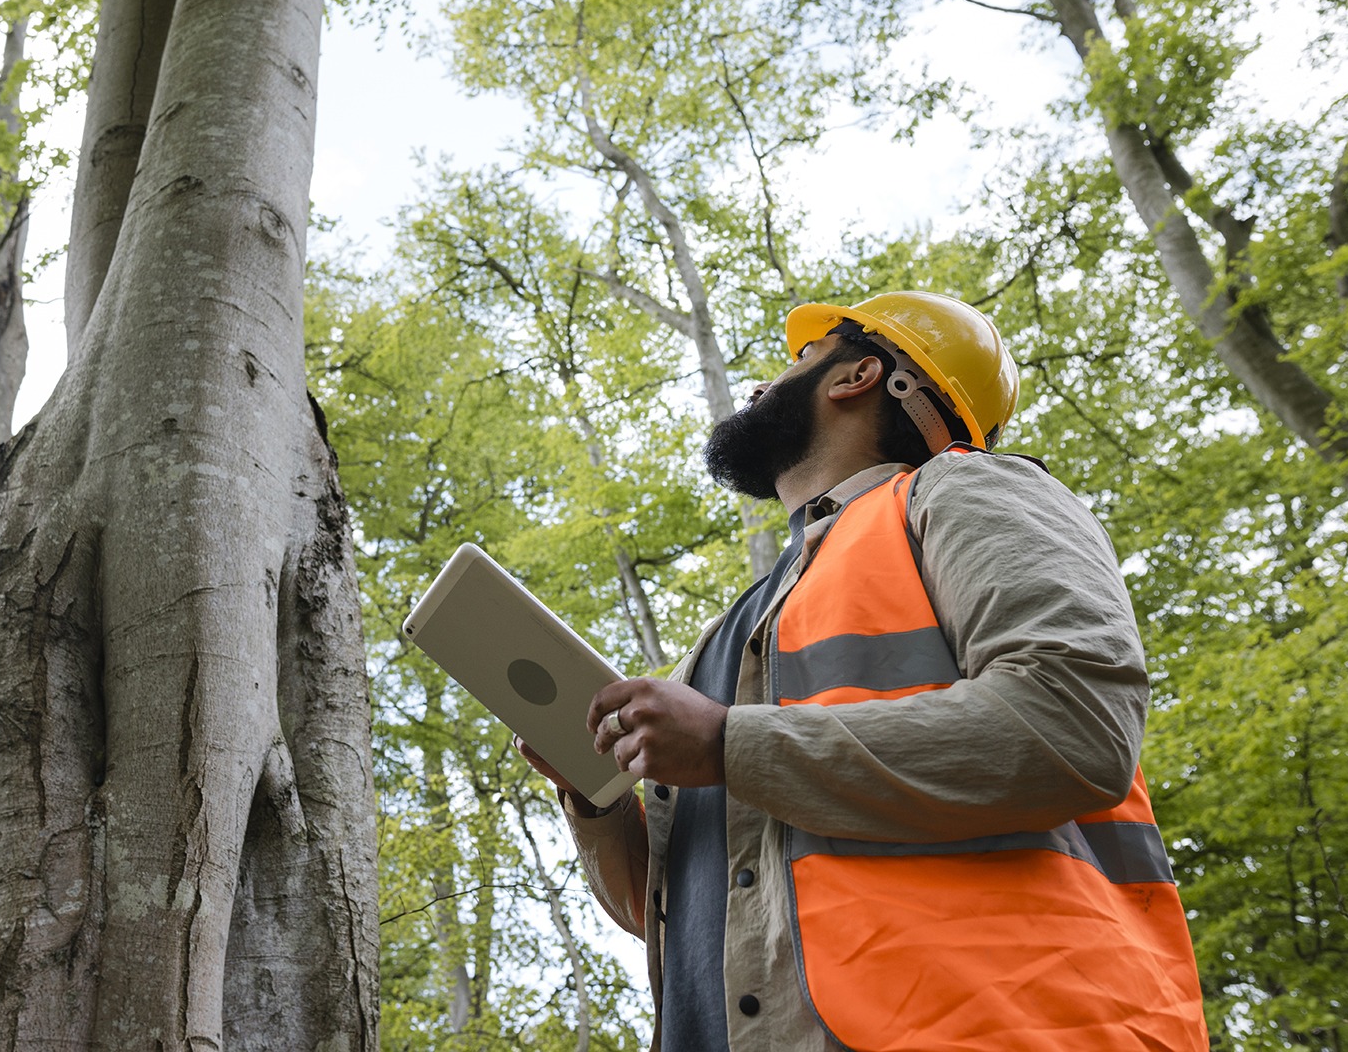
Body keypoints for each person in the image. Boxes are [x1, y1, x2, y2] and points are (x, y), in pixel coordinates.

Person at [518, 292, 1210, 1051]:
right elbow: (689, 908)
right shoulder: (728, 636)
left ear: (859, 375)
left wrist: (727, 745)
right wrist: (598, 803)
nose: (764, 383)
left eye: (802, 358)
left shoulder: (963, 489)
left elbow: (1075, 726)